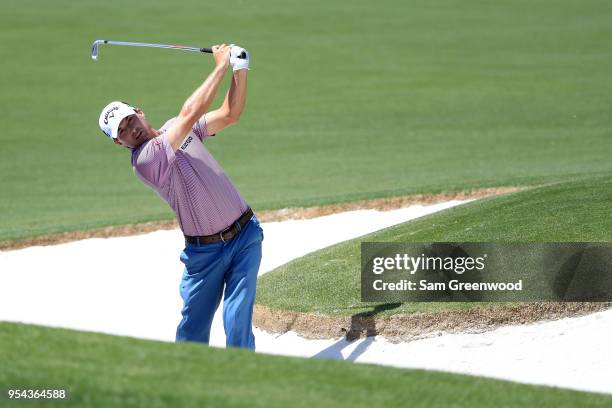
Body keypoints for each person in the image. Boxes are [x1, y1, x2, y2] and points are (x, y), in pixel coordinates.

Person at [97, 44, 262, 350]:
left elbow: (230, 114)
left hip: (245, 236)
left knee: (237, 319)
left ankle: (244, 388)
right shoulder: (145, 161)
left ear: (140, 112)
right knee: (192, 332)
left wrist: (240, 68)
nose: (130, 128)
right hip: (205, 255)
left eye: (129, 119)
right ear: (119, 143)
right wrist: (219, 67)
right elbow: (190, 112)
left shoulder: (176, 128)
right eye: (122, 130)